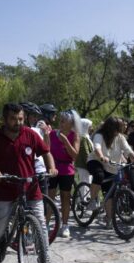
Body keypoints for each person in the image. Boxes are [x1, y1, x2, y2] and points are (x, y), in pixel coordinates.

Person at [0, 103, 59, 263]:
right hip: (4, 188)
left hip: (30, 186)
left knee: (41, 223)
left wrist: (51, 167)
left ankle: (45, 257)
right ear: (5, 119)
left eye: (21, 118)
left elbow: (46, 152)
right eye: (14, 119)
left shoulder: (30, 134)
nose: (18, 122)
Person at [85, 116, 134, 226]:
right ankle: (92, 200)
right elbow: (97, 147)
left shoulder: (120, 137)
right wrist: (102, 156)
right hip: (96, 161)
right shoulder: (99, 135)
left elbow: (128, 150)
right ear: (110, 128)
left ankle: (109, 218)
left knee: (109, 193)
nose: (119, 131)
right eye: (117, 129)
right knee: (99, 175)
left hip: (111, 166)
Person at [49, 110, 80, 238]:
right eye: (60, 120)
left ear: (71, 123)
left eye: (63, 121)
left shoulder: (75, 135)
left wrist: (66, 141)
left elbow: (75, 155)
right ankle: (45, 224)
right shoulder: (52, 133)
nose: (60, 123)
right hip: (53, 168)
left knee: (65, 197)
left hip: (67, 168)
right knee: (50, 196)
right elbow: (47, 151)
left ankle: (65, 225)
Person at [22, 102, 50, 194]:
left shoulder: (35, 131)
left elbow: (46, 149)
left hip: (40, 171)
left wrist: (46, 134)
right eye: (33, 115)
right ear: (25, 115)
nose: (36, 119)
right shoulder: (15, 133)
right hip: (25, 173)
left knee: (44, 203)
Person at [75, 118, 94, 184]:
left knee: (87, 184)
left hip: (86, 165)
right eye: (90, 126)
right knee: (85, 185)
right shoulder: (83, 138)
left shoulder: (86, 137)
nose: (91, 128)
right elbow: (85, 153)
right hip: (84, 166)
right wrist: (91, 165)